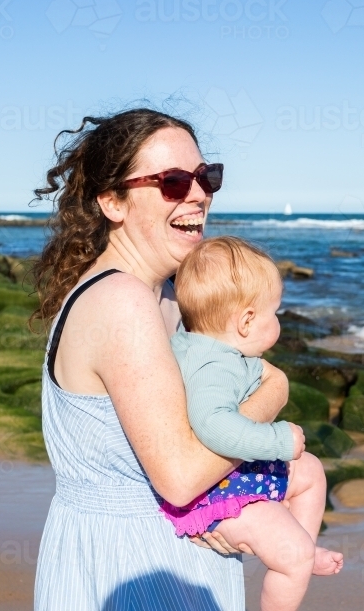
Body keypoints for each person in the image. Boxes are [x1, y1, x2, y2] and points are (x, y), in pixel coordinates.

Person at [32, 109, 292, 610]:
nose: (198, 193)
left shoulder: (169, 297)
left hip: (157, 550)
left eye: (206, 176)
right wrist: (274, 393)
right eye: (172, 182)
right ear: (112, 202)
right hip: (131, 562)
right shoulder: (122, 301)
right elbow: (180, 477)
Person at [164, 236, 342, 611]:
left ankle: (304, 549)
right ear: (245, 321)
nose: (277, 319)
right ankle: (298, 559)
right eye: (273, 312)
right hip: (212, 494)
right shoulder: (215, 369)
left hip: (231, 476)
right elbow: (214, 425)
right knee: (290, 555)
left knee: (310, 471)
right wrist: (276, 440)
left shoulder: (208, 346)